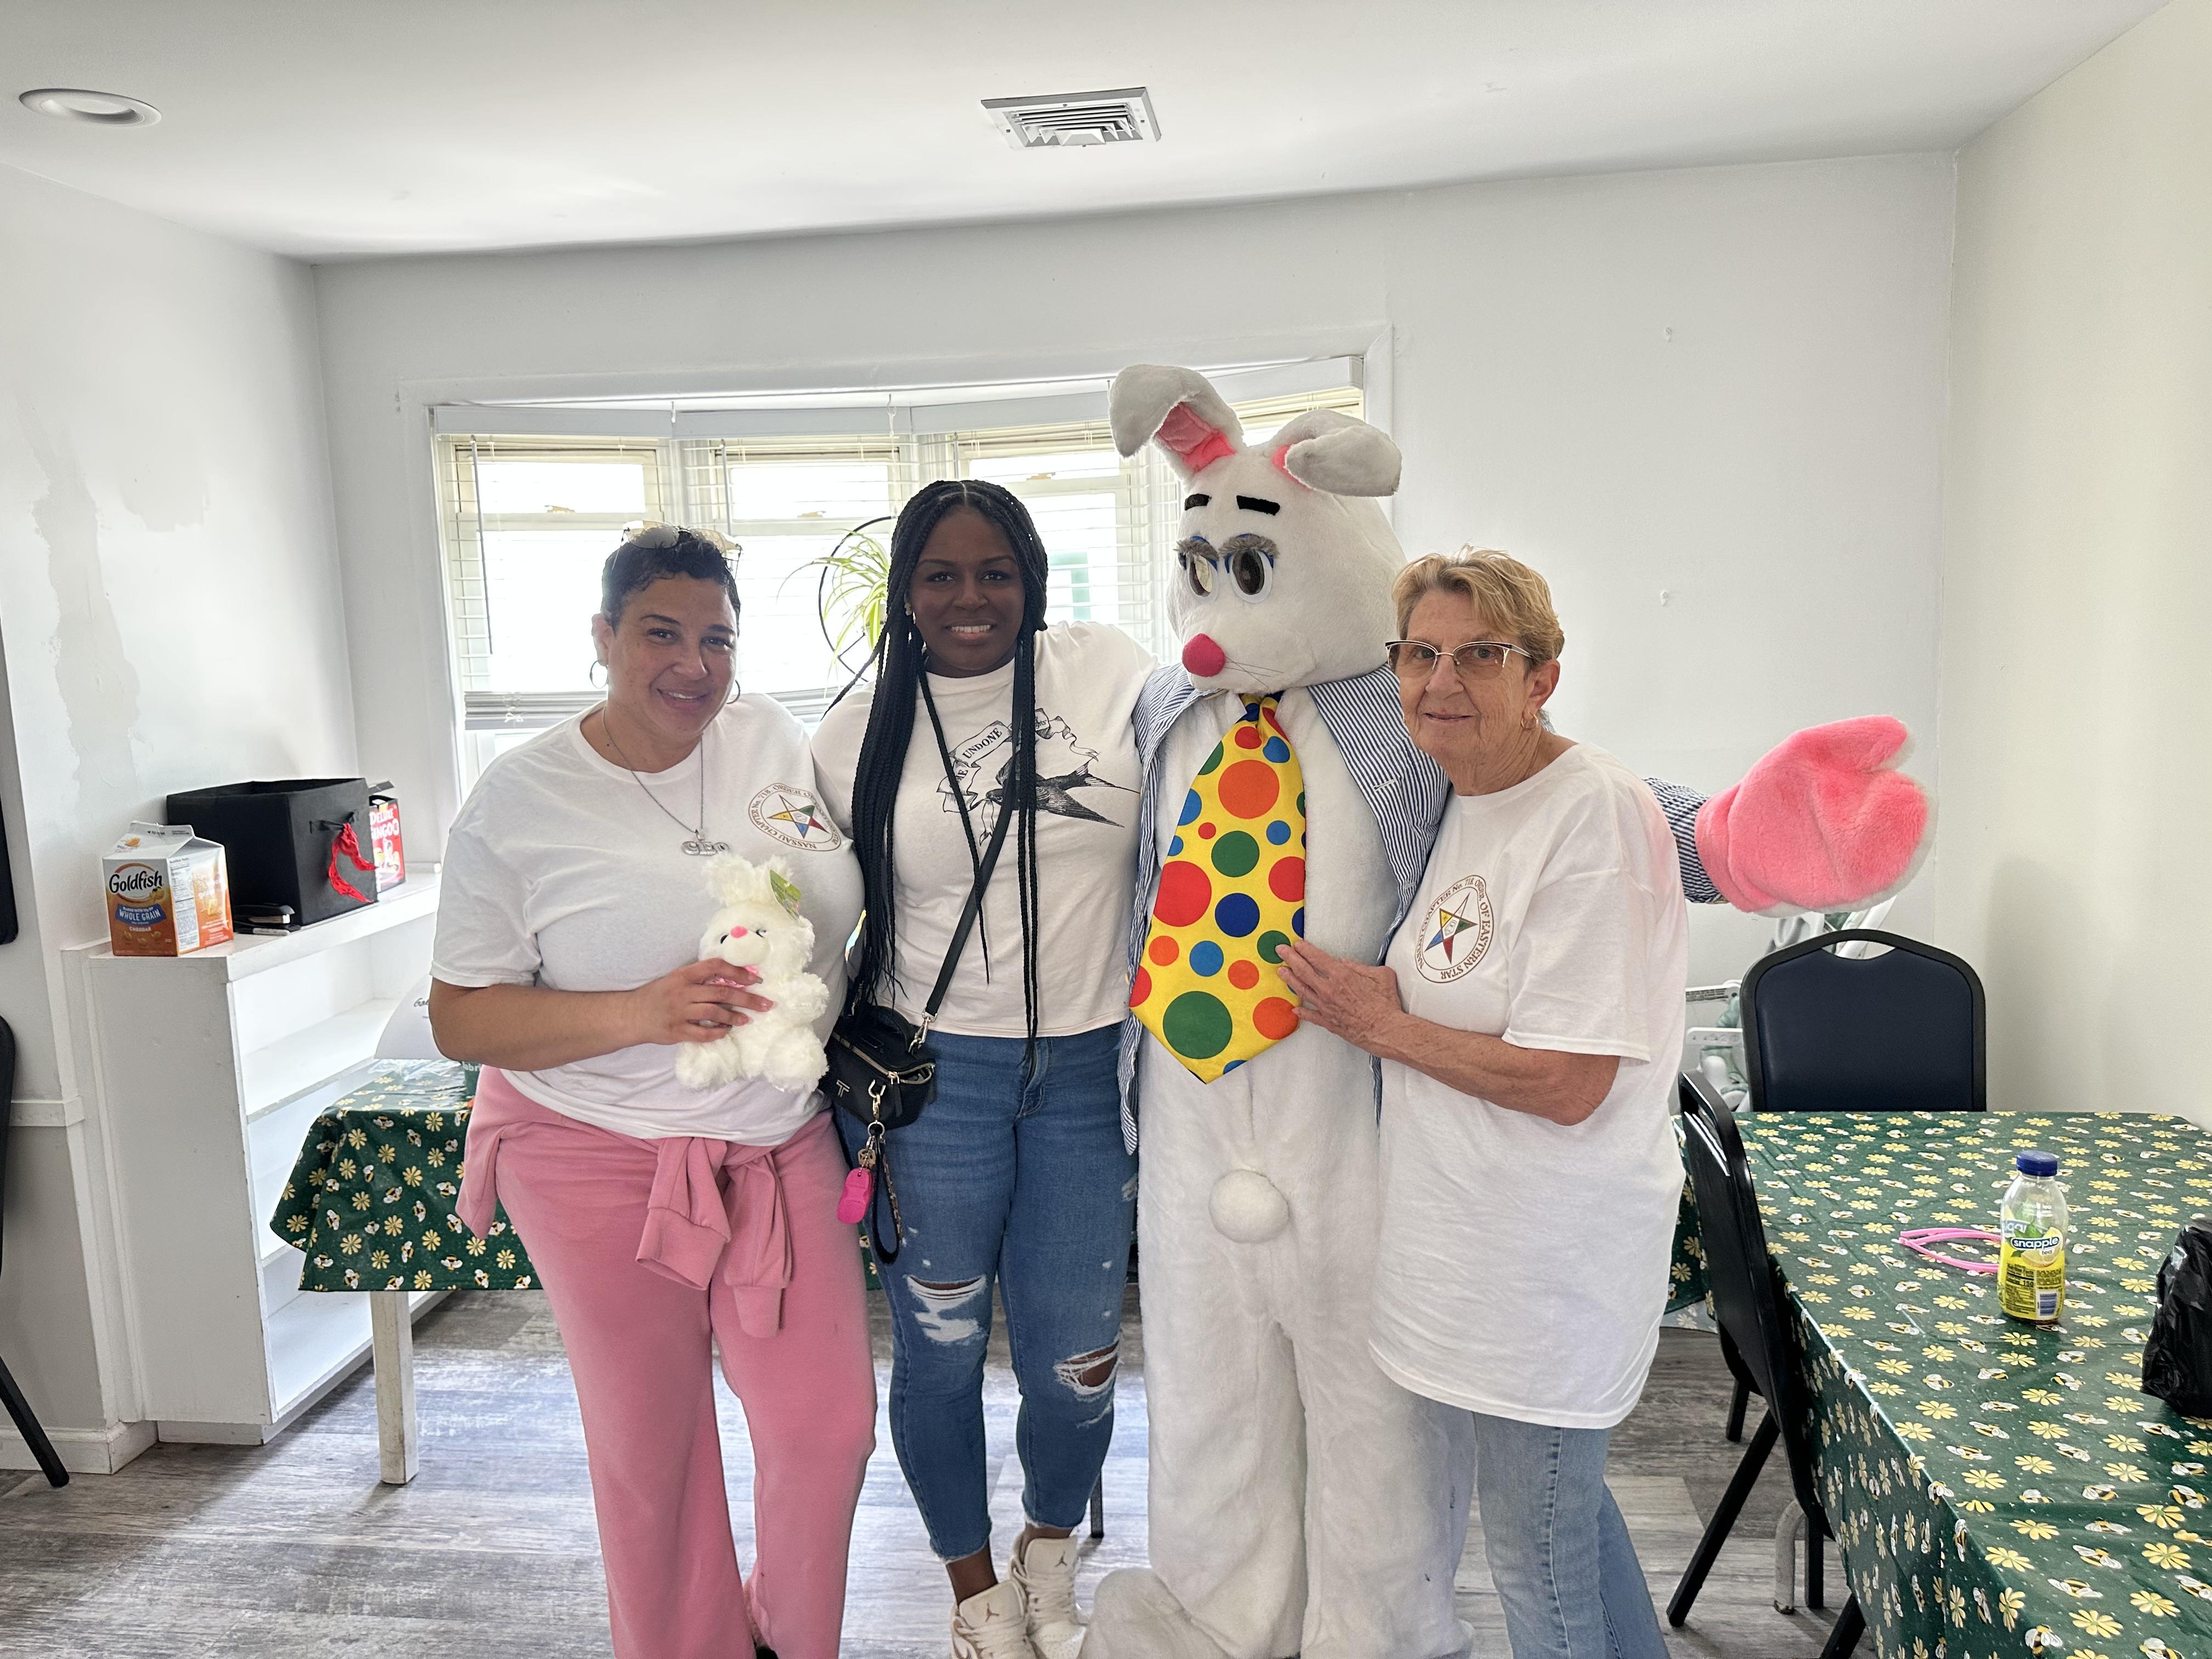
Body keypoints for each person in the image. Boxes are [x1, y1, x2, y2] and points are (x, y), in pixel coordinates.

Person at [428, 525, 875, 1659]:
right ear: (603, 639)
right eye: (661, 634)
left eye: (717, 637)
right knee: (653, 1454)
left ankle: (786, 1636)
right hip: (593, 1154)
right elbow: (461, 1018)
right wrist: (640, 1010)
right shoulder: (519, 799)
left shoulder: (769, 734)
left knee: (824, 1432)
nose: (694, 664)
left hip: (775, 1141)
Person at [1279, 548, 1685, 1659]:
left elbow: (1568, 1079)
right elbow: (1486, 983)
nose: (1440, 682)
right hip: (1483, 1248)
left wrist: (1383, 1026)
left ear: (1541, 678)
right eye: (1420, 655)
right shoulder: (1471, 795)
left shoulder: (1590, 817)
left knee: (1535, 1569)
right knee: (1563, 1522)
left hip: (1548, 1259)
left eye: (1479, 657)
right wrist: (1392, 997)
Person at [811, 478, 1153, 1659]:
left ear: (1035, 581)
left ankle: (1048, 1558)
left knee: (1077, 1360)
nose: (971, 598)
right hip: (933, 1080)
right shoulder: (855, 732)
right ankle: (973, 1591)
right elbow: (821, 911)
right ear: (905, 591)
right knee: (940, 1352)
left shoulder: (1104, 670)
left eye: (995, 572)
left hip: (1087, 1070)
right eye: (942, 575)